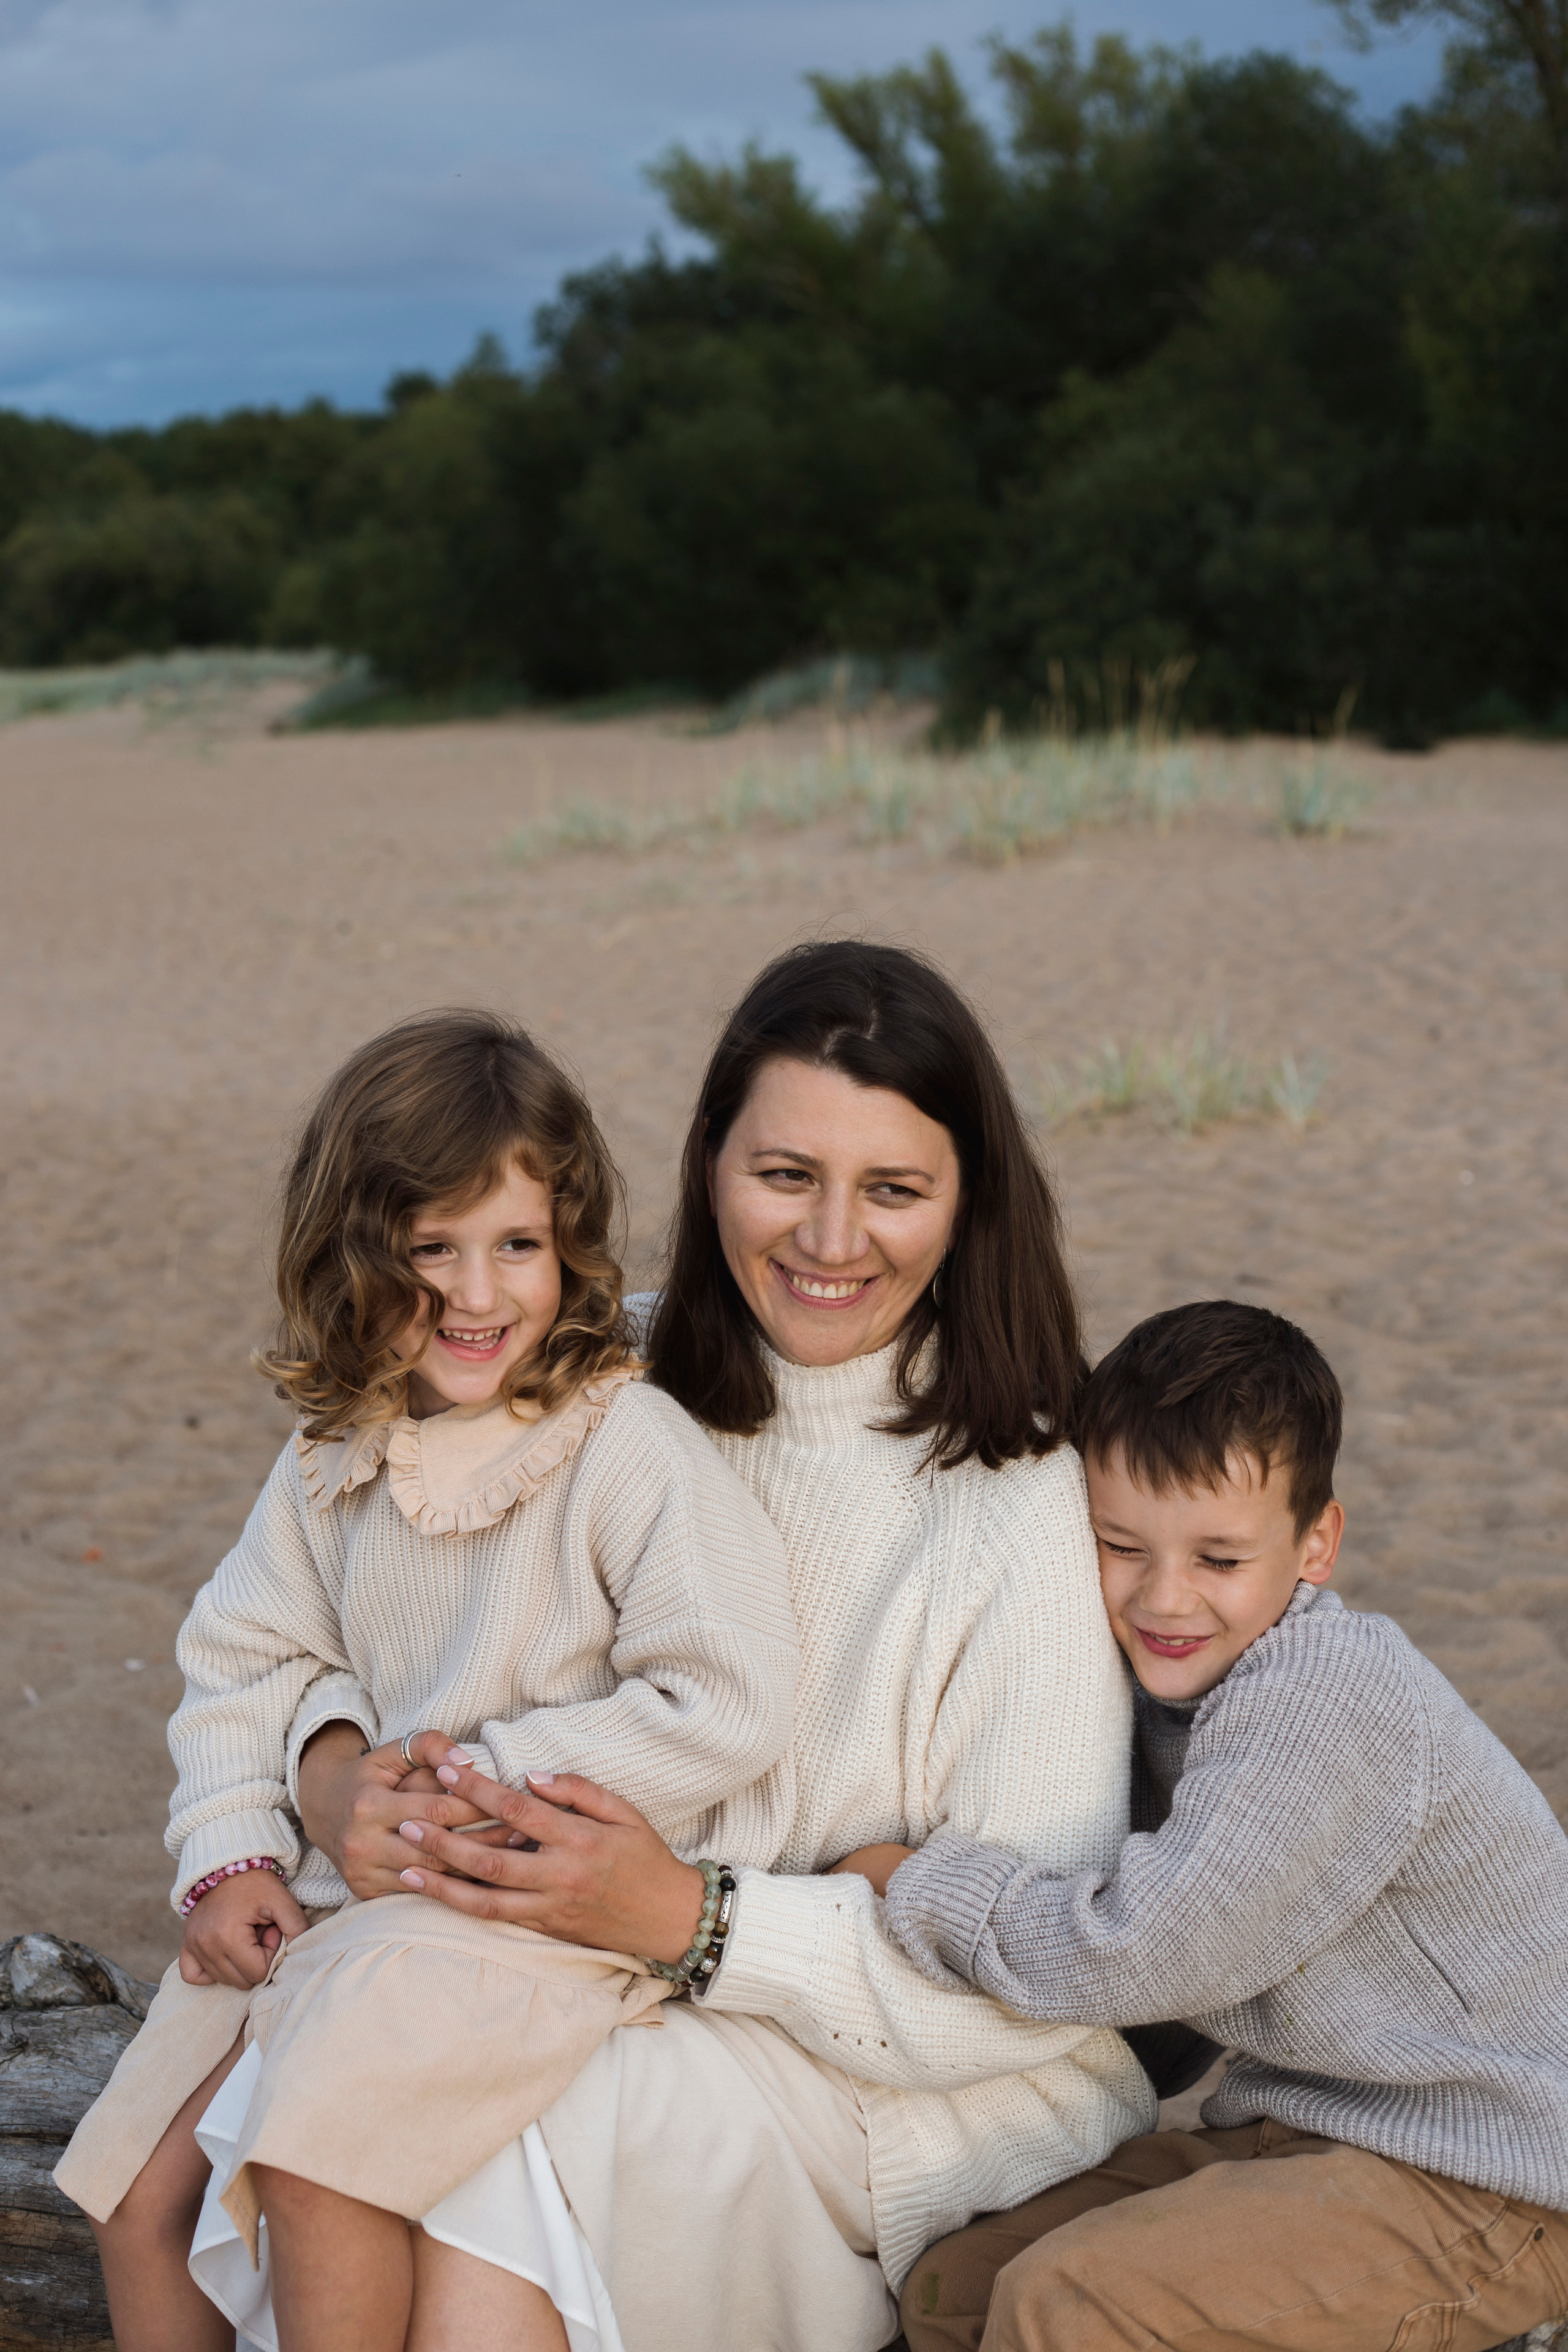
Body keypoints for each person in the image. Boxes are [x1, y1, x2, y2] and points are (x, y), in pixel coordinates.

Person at [352, 940, 1157, 2352]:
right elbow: (331, 1577)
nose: (831, 1240)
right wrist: (324, 1773)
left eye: (893, 1190)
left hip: (905, 2080)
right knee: (366, 2103)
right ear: (707, 1156)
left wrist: (689, 1919)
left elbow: (1042, 1974)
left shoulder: (1021, 1491)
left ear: (967, 1207)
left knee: (500, 2149)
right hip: (571, 1983)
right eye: (785, 1176)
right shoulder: (593, 1375)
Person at [56, 1009, 799, 2352]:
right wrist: (230, 1859)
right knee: (135, 2198)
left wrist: (482, 1781)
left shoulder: (620, 1444)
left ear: (567, 1245)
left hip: (520, 1916)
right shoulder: (334, 1450)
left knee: (316, 2160)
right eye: (428, 1253)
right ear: (351, 1258)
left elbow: (727, 1694)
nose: (475, 1295)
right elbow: (246, 1657)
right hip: (338, 1897)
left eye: (516, 1246)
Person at [872, 1298, 1568, 2352]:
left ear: (1316, 1545)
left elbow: (1163, 1952)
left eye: (1219, 1559)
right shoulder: (1166, 1696)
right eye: (1122, 1545)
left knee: (1073, 2303)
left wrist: (916, 1883)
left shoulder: (1327, 1695)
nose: (1167, 1598)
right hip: (1299, 2126)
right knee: (953, 2285)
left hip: (1492, 2169)